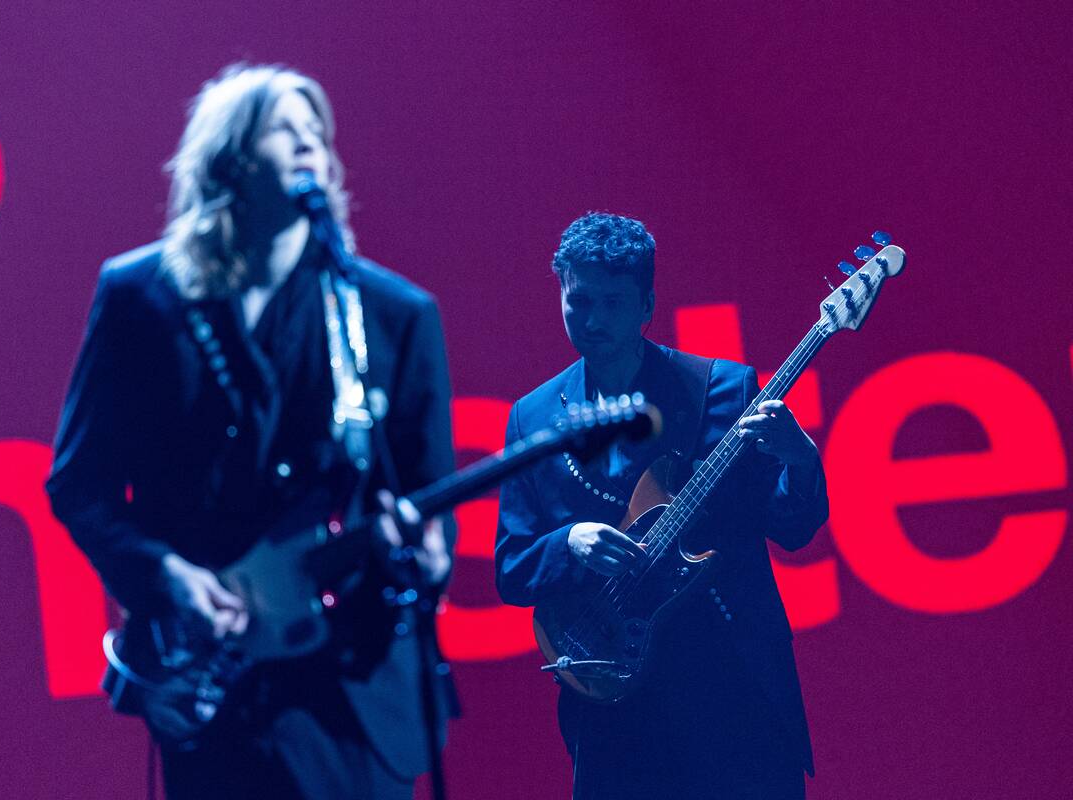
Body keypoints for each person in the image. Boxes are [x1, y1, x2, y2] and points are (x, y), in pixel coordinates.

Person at [46, 64, 457, 800]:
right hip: (215, 682)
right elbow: (79, 484)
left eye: (318, 133)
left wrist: (426, 557)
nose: (309, 144)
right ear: (229, 158)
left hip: (349, 693)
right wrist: (164, 574)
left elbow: (428, 500)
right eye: (284, 129)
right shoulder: (140, 298)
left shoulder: (392, 314)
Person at [494, 212, 828, 799]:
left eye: (613, 302)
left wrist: (800, 459)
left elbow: (792, 527)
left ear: (647, 304)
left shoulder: (723, 391)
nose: (592, 319)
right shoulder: (533, 417)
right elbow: (512, 568)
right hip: (614, 703)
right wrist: (569, 543)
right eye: (579, 301)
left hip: (731, 688)